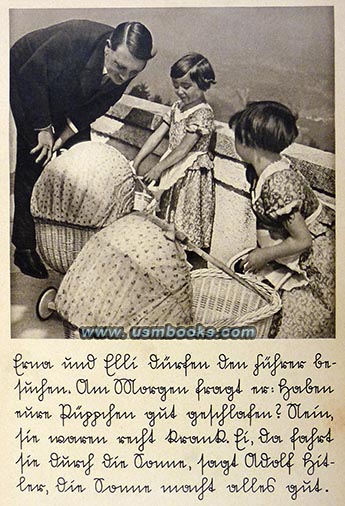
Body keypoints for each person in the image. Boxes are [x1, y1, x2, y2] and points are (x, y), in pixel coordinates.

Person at [11, 19, 154, 278]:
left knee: (83, 158)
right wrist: (43, 129)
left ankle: (74, 241)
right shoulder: (73, 40)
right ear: (108, 47)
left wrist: (62, 137)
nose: (123, 78)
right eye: (120, 67)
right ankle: (24, 247)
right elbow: (33, 77)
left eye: (133, 73)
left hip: (61, 89)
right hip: (25, 75)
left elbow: (93, 108)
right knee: (35, 157)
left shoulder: (122, 68)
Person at [229, 101, 334, 336]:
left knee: (297, 327)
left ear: (249, 140)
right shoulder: (262, 172)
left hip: (312, 265)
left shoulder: (279, 183)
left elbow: (303, 240)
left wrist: (263, 255)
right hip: (293, 256)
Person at [133, 53, 216, 261]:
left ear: (203, 84)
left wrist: (157, 168)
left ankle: (185, 267)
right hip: (173, 169)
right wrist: (137, 162)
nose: (180, 91)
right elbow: (157, 135)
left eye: (185, 86)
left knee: (184, 225)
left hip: (189, 176)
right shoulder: (177, 108)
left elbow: (183, 150)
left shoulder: (202, 113)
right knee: (165, 223)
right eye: (176, 86)